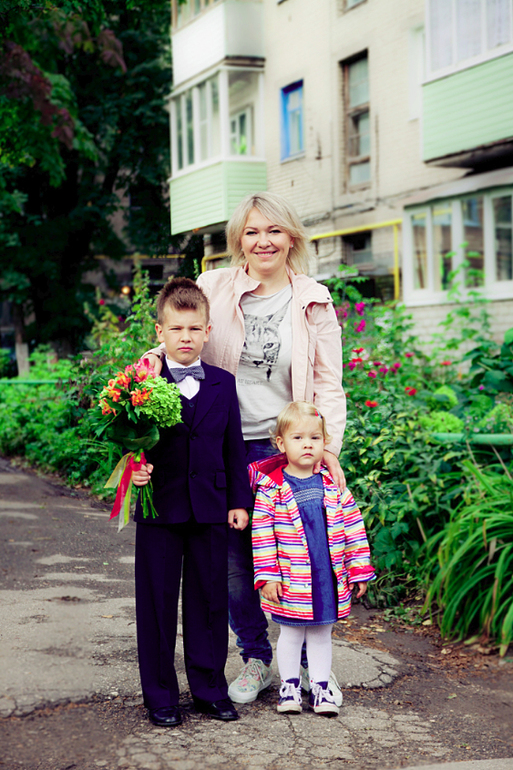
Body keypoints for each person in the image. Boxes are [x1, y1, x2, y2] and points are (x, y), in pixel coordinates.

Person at [144, 191, 346, 705]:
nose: (263, 241)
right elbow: (179, 333)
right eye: (252, 232)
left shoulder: (314, 300)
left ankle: (311, 666)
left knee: (305, 558)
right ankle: (256, 658)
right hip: (223, 448)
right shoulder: (215, 286)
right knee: (235, 564)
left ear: (291, 237)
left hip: (289, 451)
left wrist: (329, 448)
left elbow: (329, 382)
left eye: (274, 230)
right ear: (239, 239)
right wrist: (145, 369)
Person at [132, 277, 253, 728]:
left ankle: (209, 690)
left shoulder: (223, 383)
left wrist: (239, 501)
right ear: (160, 332)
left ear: (207, 332)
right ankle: (160, 696)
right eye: (176, 329)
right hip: (160, 506)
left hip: (211, 507)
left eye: (194, 329)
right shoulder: (143, 383)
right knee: (157, 603)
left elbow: (234, 447)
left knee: (209, 601)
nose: (185, 337)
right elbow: (127, 443)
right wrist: (134, 469)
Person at [249, 401, 375, 716]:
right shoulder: (271, 489)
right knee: (291, 633)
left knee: (321, 633)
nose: (307, 444)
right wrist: (268, 575)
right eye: (298, 438)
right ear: (281, 444)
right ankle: (289, 687)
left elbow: (354, 529)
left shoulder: (334, 486)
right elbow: (262, 535)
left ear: (324, 443)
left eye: (315, 438)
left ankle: (320, 687)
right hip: (290, 577)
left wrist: (358, 568)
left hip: (326, 577)